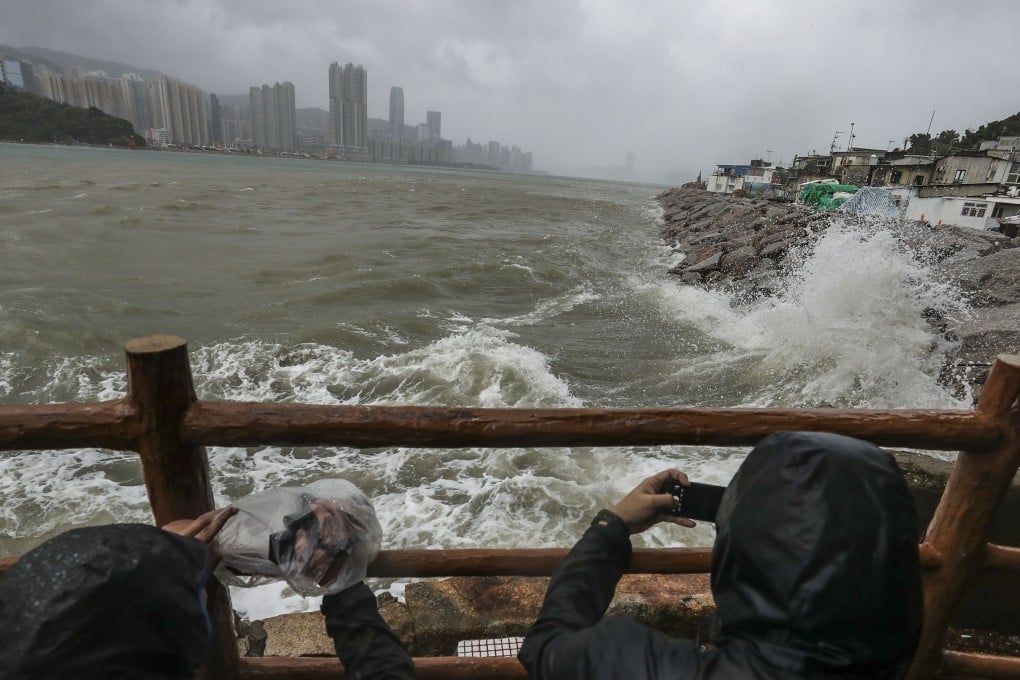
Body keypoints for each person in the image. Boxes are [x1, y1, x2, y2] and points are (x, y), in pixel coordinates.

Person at [518, 431, 922, 679]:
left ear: (739, 556)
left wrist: (613, 526)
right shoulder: (898, 658)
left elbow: (548, 643)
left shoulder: (636, 664)